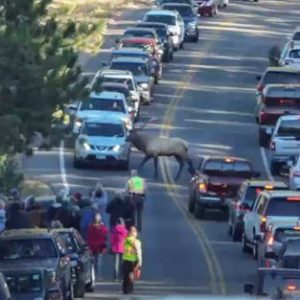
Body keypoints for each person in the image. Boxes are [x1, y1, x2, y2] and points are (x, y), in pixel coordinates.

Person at [122, 226, 142, 294]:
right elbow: (139, 253)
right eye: (135, 231)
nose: (136, 233)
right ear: (133, 233)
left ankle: (125, 289)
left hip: (125, 260)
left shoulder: (125, 240)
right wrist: (139, 265)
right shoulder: (136, 241)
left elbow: (124, 249)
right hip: (133, 261)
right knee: (131, 275)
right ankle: (129, 289)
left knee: (125, 276)